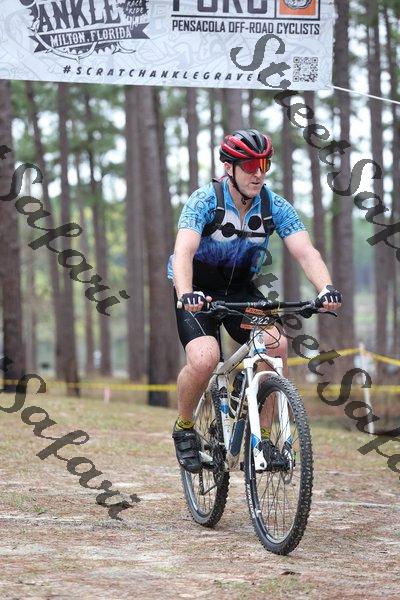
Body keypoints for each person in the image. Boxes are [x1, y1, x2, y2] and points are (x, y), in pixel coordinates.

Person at [167, 128, 341, 473]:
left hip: (241, 291)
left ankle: (262, 441)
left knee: (276, 345)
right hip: (197, 290)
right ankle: (184, 427)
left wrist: (326, 288)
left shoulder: (274, 205)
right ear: (228, 167)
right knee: (204, 358)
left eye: (264, 164)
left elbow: (306, 252)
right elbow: (183, 251)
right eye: (249, 165)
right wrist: (186, 292)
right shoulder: (204, 201)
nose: (258, 173)